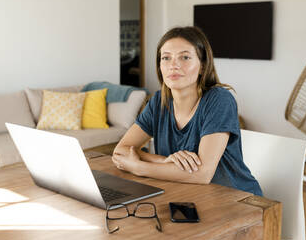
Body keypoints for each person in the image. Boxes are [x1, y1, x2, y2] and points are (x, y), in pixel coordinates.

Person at [112, 26, 262, 196]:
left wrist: (139, 167)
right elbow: (120, 150)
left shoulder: (220, 100)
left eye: (184, 57)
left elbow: (202, 174)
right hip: (187, 196)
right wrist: (165, 160)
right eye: (166, 58)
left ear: (203, 66)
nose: (173, 65)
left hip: (236, 201)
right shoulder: (158, 102)